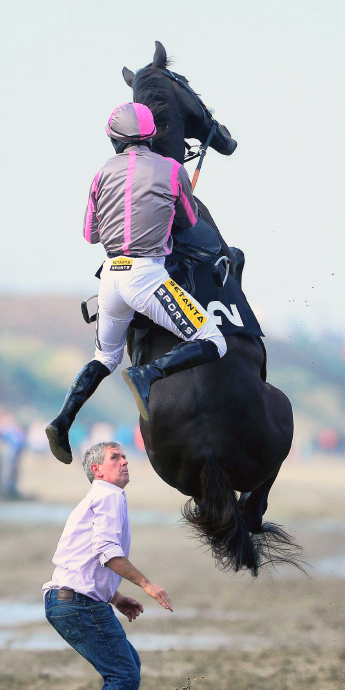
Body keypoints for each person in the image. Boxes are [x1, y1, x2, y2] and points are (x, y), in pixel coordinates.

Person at [45, 101, 227, 463]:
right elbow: (189, 223)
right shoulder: (172, 170)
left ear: (113, 139)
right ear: (152, 135)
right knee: (213, 340)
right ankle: (148, 373)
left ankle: (62, 420)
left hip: (111, 280)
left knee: (105, 357)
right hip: (147, 278)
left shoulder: (100, 173)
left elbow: (90, 234)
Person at [42, 441, 173, 690]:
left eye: (124, 456)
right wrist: (145, 584)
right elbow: (107, 551)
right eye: (116, 458)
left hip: (72, 600)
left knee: (128, 665)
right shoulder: (108, 495)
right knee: (123, 673)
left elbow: (86, 559)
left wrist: (115, 597)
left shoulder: (104, 498)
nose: (125, 461)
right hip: (75, 604)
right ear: (97, 469)